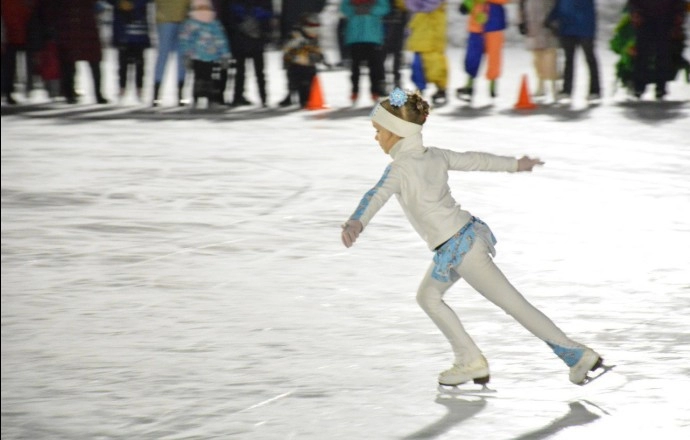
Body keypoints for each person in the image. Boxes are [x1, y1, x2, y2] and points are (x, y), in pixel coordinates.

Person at [340, 87, 606, 387]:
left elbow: (374, 196)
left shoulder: (399, 169)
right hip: (460, 240)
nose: (376, 137)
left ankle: (575, 355)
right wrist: (515, 164)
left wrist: (356, 222)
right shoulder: (435, 156)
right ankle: (470, 361)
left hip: (459, 247)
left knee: (513, 304)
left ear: (396, 132)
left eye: (378, 131)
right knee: (428, 297)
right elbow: (476, 159)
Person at [626, 0, 688, 100]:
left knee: (662, 54)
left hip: (665, 19)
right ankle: (640, 86)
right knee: (643, 54)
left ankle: (660, 87)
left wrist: (679, 15)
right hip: (646, 18)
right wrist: (635, 12)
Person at [546, 0, 601, 103]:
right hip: (568, 29)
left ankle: (595, 90)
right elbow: (559, 6)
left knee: (589, 59)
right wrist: (550, 18)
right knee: (569, 60)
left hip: (584, 29)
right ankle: (567, 89)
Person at [179, 0, 231, 108]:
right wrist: (187, 55)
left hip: (212, 57)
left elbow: (221, 39)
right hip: (196, 57)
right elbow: (185, 40)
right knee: (198, 79)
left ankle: (211, 100)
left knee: (210, 79)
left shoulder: (214, 23)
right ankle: (196, 99)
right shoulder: (190, 24)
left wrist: (225, 55)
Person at [456, 0, 510, 102]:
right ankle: (469, 86)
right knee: (472, 57)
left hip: (494, 25)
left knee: (494, 58)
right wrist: (466, 5)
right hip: (476, 26)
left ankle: (492, 87)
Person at [223, 0, 273, 107]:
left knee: (255, 72)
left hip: (252, 39)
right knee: (243, 71)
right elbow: (229, 17)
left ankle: (262, 98)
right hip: (244, 39)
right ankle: (240, 97)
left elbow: (268, 15)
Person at [339, 0, 390, 104]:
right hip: (355, 36)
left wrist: (370, 10)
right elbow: (344, 7)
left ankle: (375, 91)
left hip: (372, 36)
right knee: (355, 68)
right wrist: (355, 10)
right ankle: (355, 91)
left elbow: (385, 7)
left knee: (374, 67)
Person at [279, 13, 329, 108]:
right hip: (295, 64)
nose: (315, 32)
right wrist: (294, 58)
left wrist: (319, 57)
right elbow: (287, 50)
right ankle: (292, 96)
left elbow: (318, 50)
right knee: (295, 82)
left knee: (308, 83)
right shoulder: (296, 36)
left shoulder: (315, 38)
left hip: (309, 64)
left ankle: (304, 98)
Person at [107, 0, 152, 102]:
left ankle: (139, 89)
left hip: (138, 33)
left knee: (139, 64)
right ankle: (122, 88)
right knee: (123, 64)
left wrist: (133, 5)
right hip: (123, 33)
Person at [404, 0, 448, 105]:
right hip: (421, 36)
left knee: (435, 65)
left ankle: (440, 88)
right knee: (418, 65)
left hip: (432, 39)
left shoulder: (436, 8)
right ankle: (421, 88)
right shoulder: (417, 8)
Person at [518, 0, 559, 102]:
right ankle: (541, 83)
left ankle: (554, 86)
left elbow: (557, 5)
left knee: (550, 58)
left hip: (548, 25)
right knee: (537, 58)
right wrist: (521, 21)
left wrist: (555, 22)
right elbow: (521, 5)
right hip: (532, 24)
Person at [152, 0, 190, 107]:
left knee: (182, 58)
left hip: (182, 20)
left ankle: (181, 94)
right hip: (165, 20)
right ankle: (156, 95)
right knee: (163, 56)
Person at [383, 0, 408, 89]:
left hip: (396, 25)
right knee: (385, 54)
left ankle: (395, 78)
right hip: (389, 24)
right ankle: (388, 78)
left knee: (394, 53)